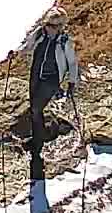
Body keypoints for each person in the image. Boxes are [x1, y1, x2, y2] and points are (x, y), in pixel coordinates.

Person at [26, 22, 79, 179]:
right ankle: (38, 138)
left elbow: (72, 62)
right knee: (34, 108)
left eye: (54, 25)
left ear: (60, 26)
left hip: (52, 79)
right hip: (36, 75)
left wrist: (72, 81)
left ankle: (38, 143)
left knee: (36, 108)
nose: (50, 27)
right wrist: (14, 54)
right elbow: (28, 46)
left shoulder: (64, 41)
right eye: (49, 24)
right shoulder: (39, 34)